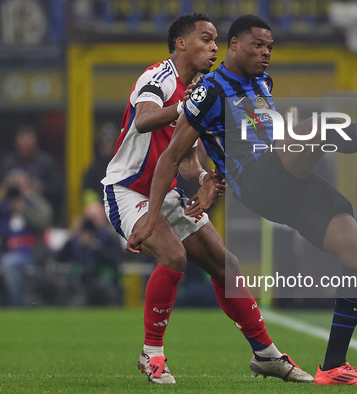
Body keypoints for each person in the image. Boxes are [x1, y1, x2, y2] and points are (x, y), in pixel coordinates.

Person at [130, 14, 357, 386]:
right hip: (258, 182)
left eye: (270, 47)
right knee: (317, 127)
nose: (266, 53)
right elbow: (171, 156)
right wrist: (152, 215)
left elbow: (238, 137)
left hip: (289, 179)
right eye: (258, 45)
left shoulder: (262, 82)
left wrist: (213, 178)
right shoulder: (209, 90)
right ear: (234, 44)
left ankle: (334, 366)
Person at [101, 13, 312, 384]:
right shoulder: (159, 77)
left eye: (216, 40)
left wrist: (203, 179)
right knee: (174, 256)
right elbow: (144, 119)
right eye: (205, 39)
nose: (214, 46)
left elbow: (185, 160)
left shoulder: (201, 88)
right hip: (127, 190)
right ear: (181, 43)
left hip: (164, 191)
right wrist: (189, 107)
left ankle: (267, 355)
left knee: (226, 266)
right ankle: (152, 355)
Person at [0, 170, 53, 306]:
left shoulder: (34, 202)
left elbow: (44, 221)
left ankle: (16, 305)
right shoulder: (2, 205)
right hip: (3, 251)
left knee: (8, 264)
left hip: (29, 253)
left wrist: (25, 209)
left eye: (19, 184)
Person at [57, 202, 124, 306]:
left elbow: (115, 259)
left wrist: (95, 247)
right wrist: (72, 237)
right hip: (80, 280)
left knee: (104, 288)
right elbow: (61, 257)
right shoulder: (76, 238)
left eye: (94, 218)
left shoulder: (110, 237)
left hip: (102, 278)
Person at [1, 125, 63, 224]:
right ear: (16, 140)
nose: (25, 142)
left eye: (29, 138)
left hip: (36, 211)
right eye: (22, 138)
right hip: (9, 211)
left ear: (35, 140)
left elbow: (58, 189)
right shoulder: (7, 162)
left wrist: (41, 188)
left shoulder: (45, 162)